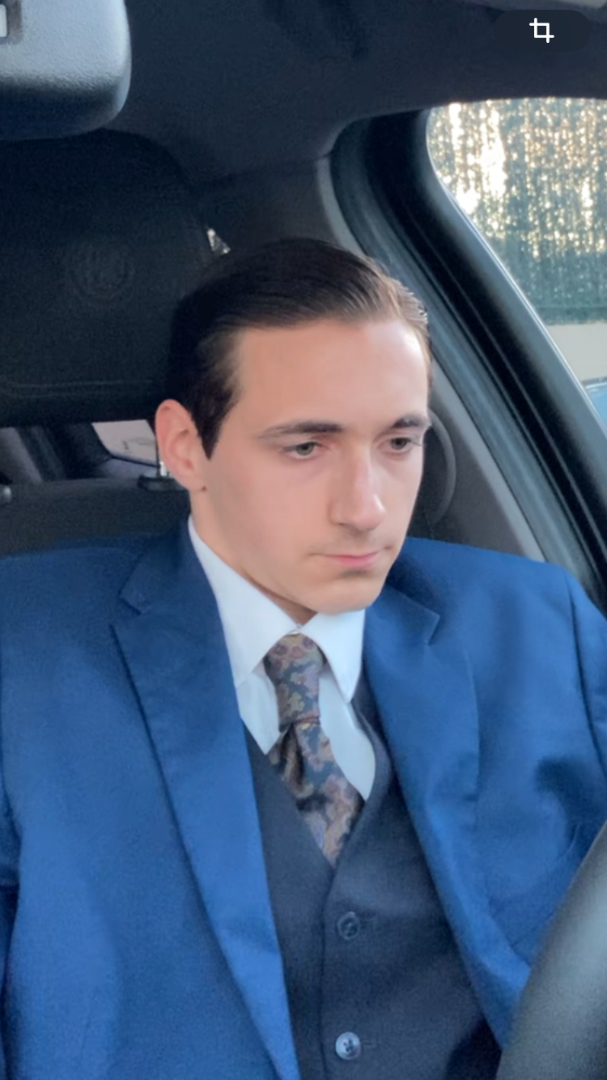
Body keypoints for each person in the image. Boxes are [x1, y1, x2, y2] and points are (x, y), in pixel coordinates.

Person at [0, 237, 606, 1080]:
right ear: (184, 445)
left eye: (398, 442)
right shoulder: (24, 654)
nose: (366, 508)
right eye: (305, 447)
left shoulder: (536, 625)